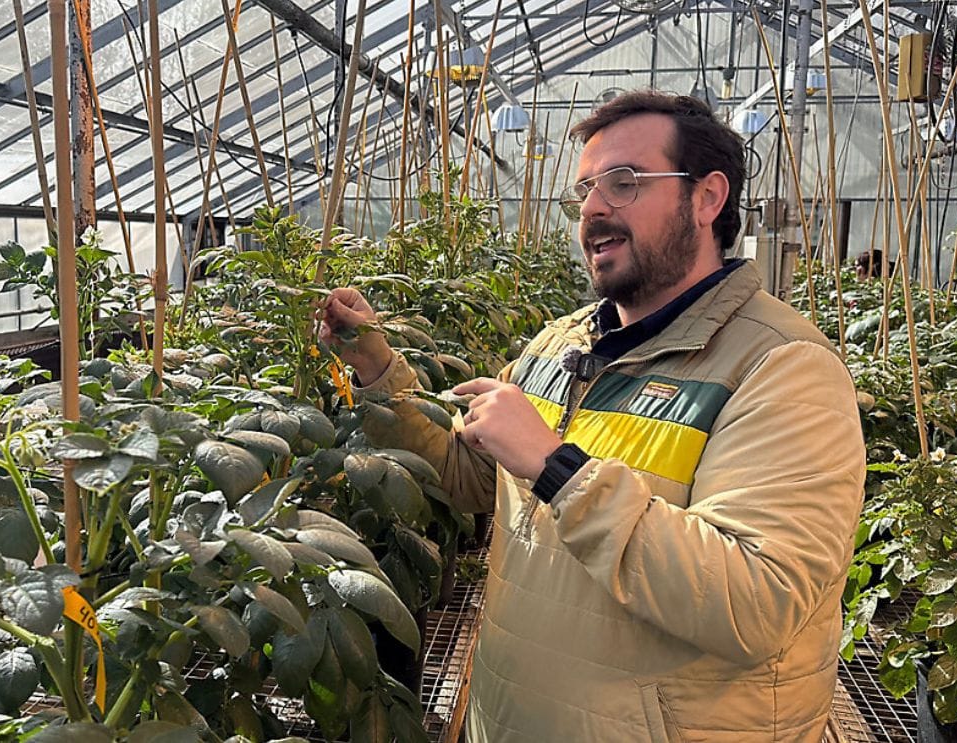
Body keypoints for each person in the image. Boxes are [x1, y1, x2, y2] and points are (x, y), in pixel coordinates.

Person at [320, 90, 865, 742]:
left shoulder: (781, 368)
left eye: (624, 182)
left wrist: (556, 467)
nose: (594, 208)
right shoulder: (560, 343)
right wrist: (378, 368)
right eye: (584, 190)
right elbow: (472, 477)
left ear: (707, 198)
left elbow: (754, 601)